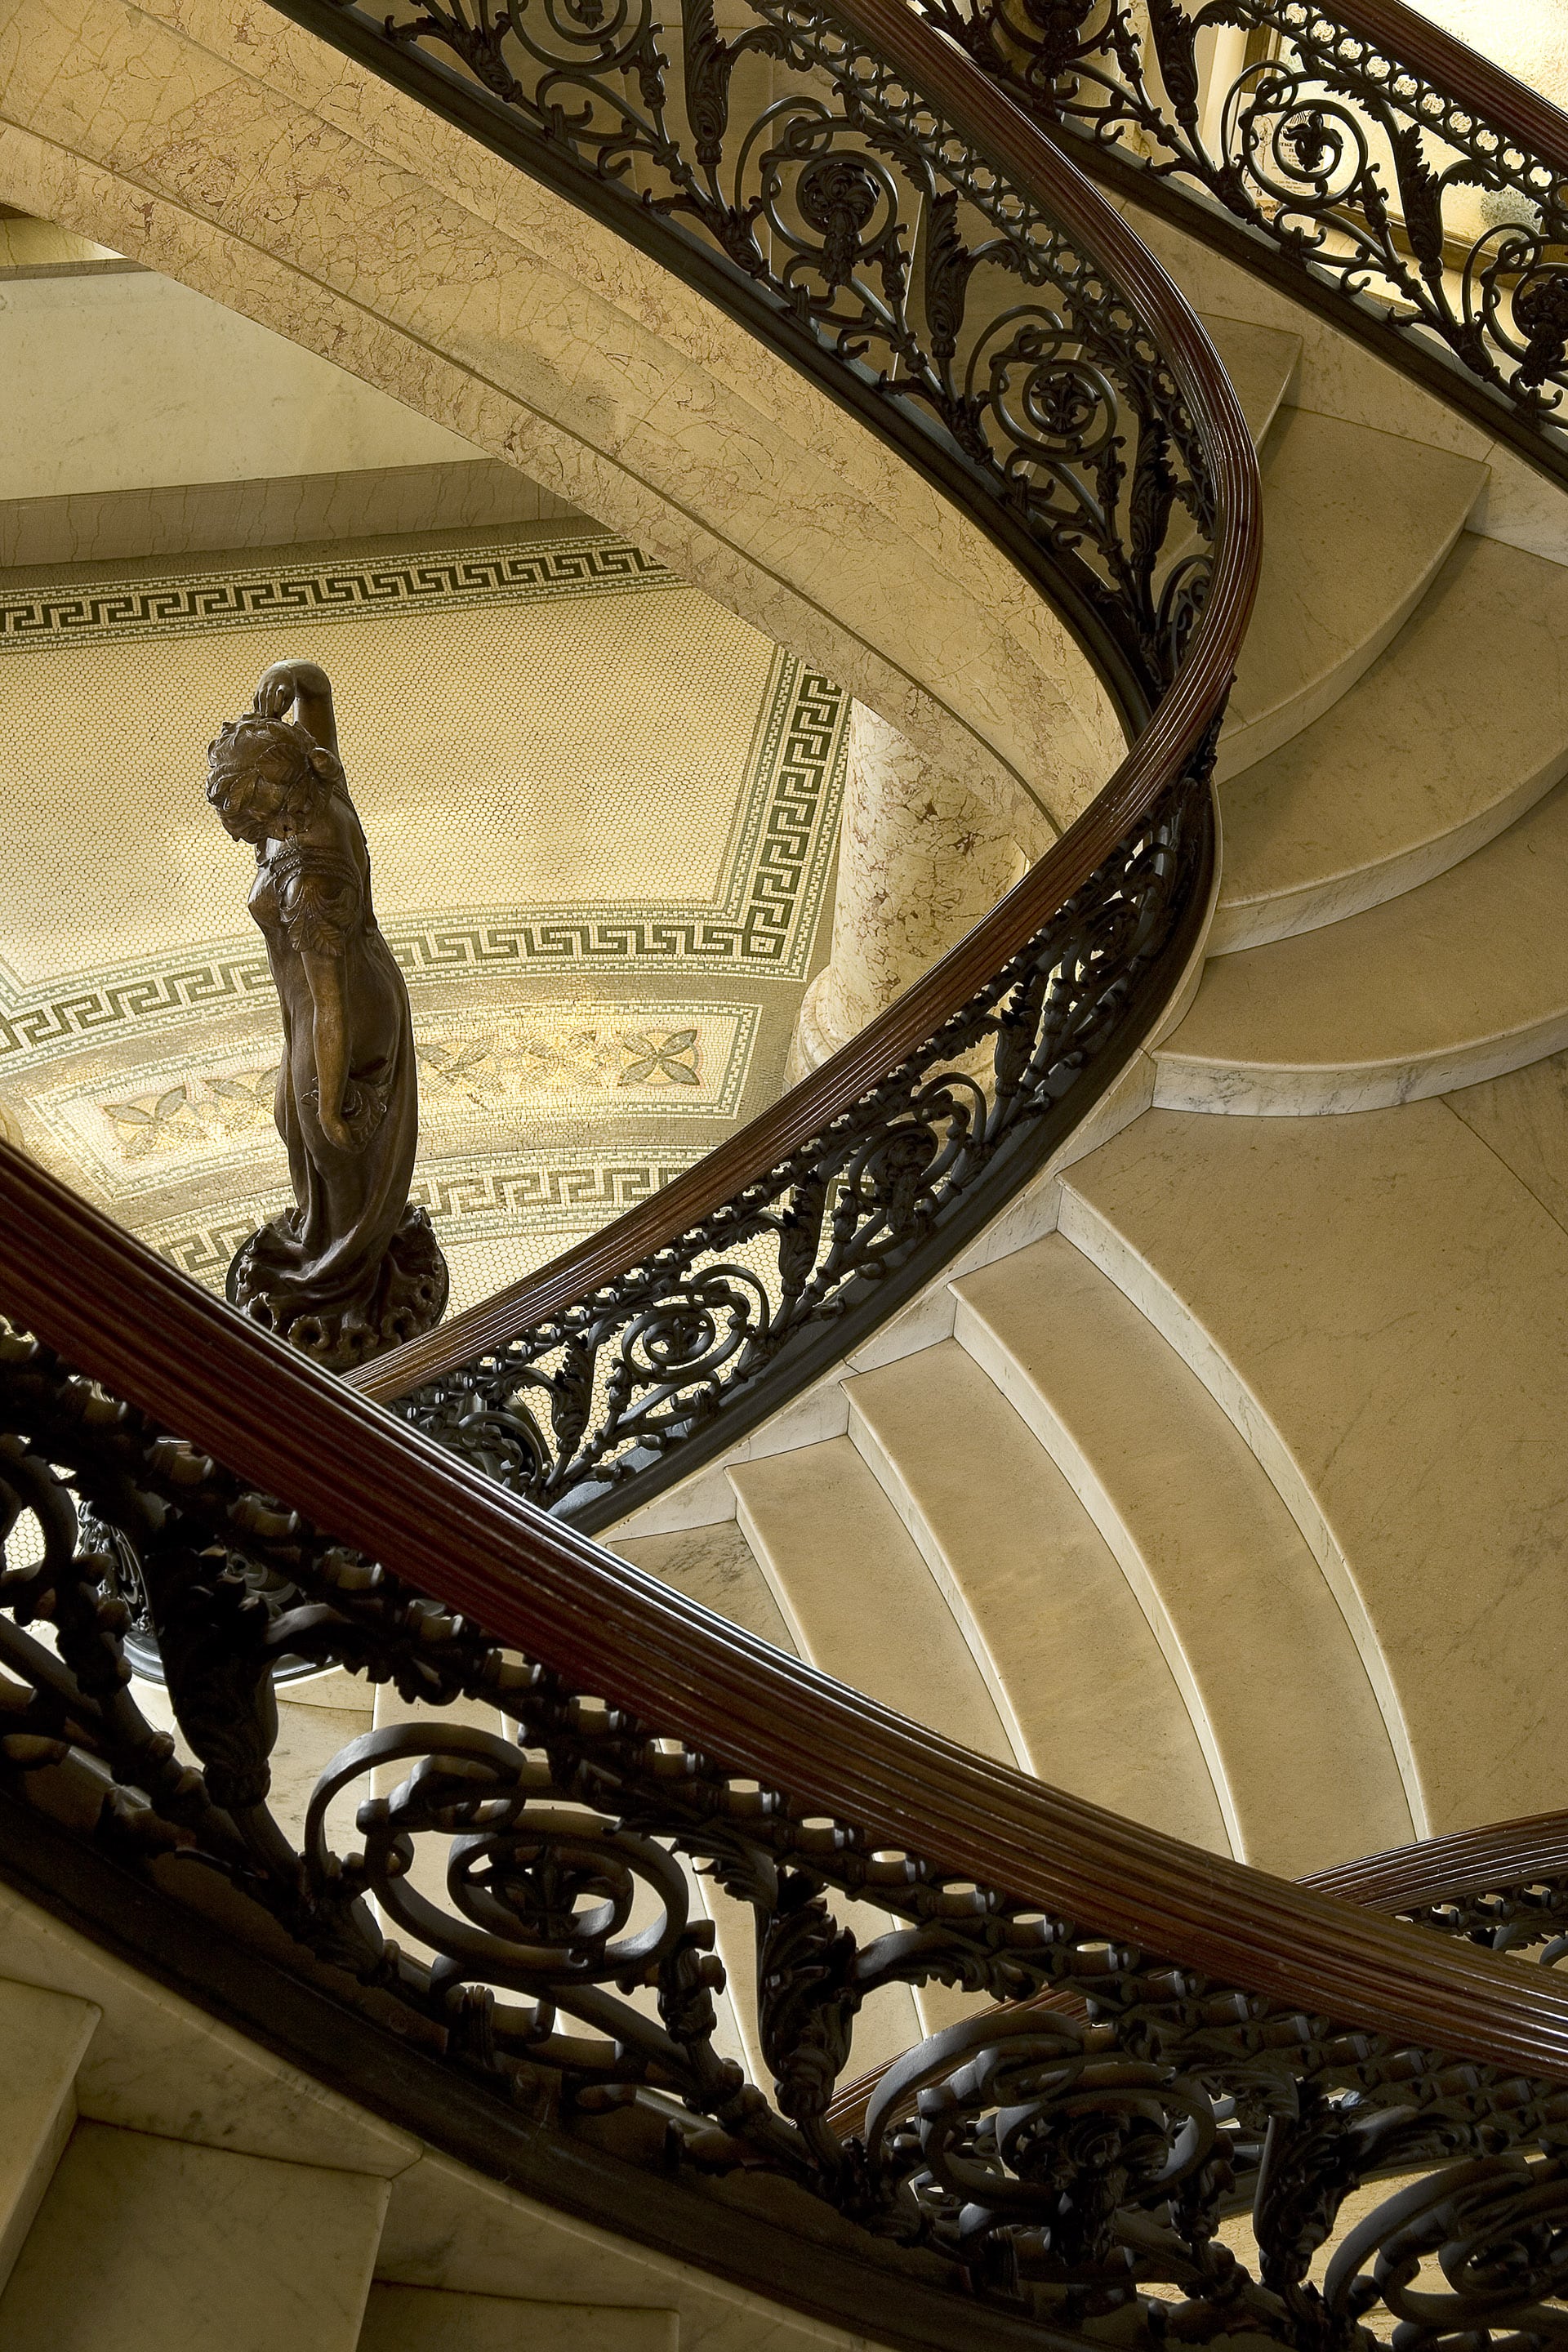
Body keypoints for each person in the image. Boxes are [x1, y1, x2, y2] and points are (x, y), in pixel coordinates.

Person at [207, 658, 447, 1369]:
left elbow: (332, 1000)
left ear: (267, 804)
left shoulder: (311, 877)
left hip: (339, 1012)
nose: (231, 827)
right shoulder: (318, 788)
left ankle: (342, 1280)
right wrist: (299, 680)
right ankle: (325, 1235)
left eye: (235, 812)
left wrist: (335, 1100)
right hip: (319, 1003)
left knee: (325, 1132)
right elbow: (318, 708)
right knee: (295, 1118)